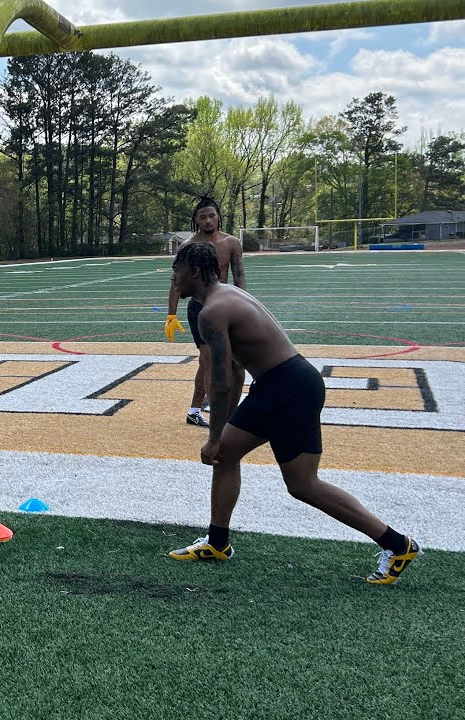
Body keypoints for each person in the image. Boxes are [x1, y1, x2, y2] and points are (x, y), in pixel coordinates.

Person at [165, 244, 418, 585]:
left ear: (194, 271)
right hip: (275, 386)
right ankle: (218, 542)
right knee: (226, 454)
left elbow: (223, 383)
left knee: (303, 484)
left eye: (176, 269)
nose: (173, 277)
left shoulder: (213, 311)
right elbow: (235, 375)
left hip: (289, 388)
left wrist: (212, 436)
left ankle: (397, 544)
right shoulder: (220, 299)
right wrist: (220, 436)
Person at [165, 197, 247, 428]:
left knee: (229, 364)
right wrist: (171, 315)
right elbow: (175, 282)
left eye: (211, 215)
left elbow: (239, 276)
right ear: (196, 220)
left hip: (226, 305)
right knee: (210, 360)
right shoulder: (187, 246)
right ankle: (220, 419)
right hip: (200, 308)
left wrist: (243, 305)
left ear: (218, 216)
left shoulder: (231, 243)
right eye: (202, 217)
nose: (208, 220)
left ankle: (196, 410)